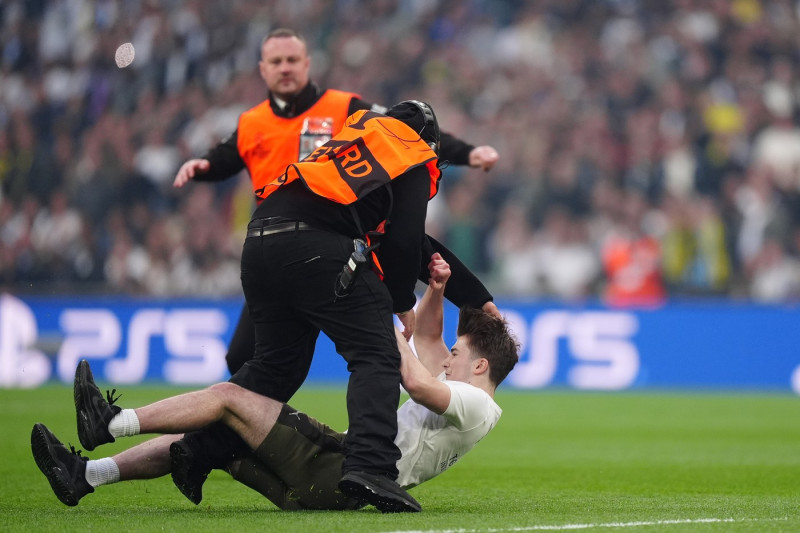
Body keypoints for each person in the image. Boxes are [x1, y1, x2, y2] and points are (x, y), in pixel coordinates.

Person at [31, 253, 520, 510]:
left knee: (228, 398)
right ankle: (86, 476)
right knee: (214, 433)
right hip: (329, 482)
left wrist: (377, 320)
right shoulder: (464, 394)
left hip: (336, 470)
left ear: (480, 367)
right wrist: (435, 288)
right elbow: (431, 339)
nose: (448, 359)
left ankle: (112, 422)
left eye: (458, 356)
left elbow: (414, 380)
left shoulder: (477, 406)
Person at [173, 27, 499, 376]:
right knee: (247, 359)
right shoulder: (251, 123)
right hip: (284, 240)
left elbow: (408, 130)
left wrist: (465, 152)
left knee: (318, 359)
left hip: (331, 241)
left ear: (307, 64)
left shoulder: (345, 108)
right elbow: (224, 157)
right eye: (277, 61)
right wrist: (203, 166)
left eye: (292, 60)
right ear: (263, 69)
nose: (285, 68)